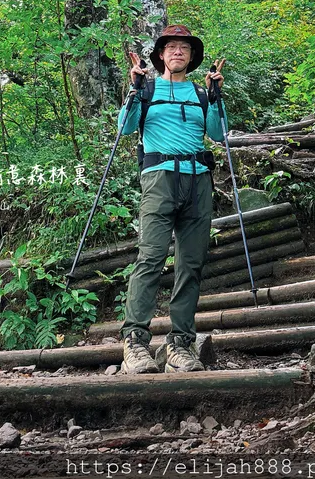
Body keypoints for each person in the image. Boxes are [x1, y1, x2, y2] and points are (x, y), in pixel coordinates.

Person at [116, 24, 226, 374]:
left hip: (198, 181)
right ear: (161, 55)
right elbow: (125, 128)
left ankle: (180, 344)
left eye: (184, 48)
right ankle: (134, 342)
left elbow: (219, 134)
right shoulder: (146, 89)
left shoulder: (201, 93)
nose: (177, 51)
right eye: (171, 47)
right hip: (160, 180)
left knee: (190, 264)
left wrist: (216, 97)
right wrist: (133, 91)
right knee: (150, 257)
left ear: (192, 58)